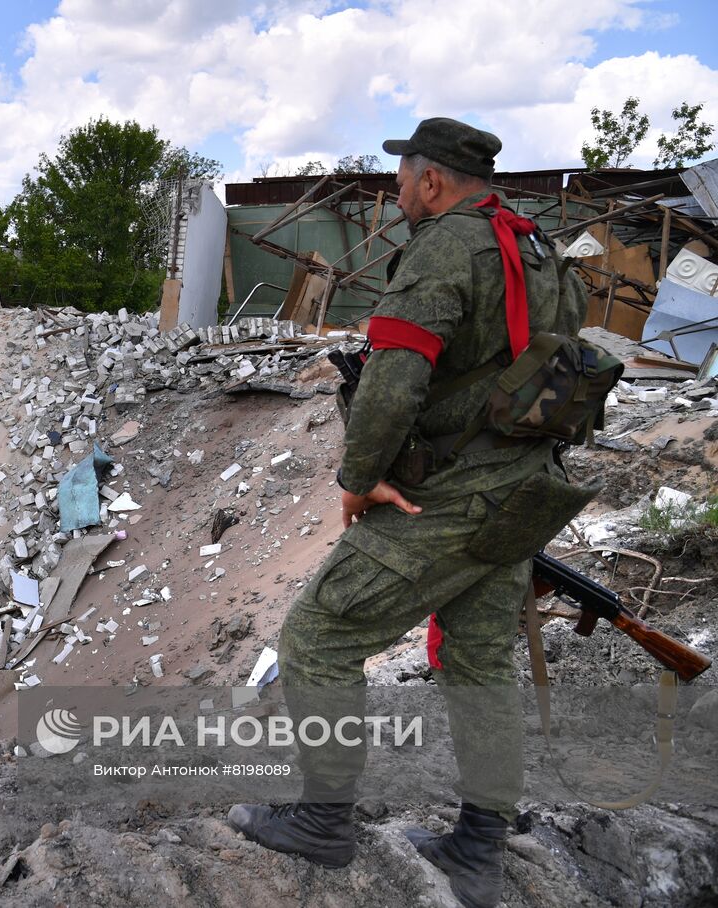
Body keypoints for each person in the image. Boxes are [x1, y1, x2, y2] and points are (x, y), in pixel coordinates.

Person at [226, 118, 586, 908]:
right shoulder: (538, 248)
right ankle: (478, 851)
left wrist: (360, 477)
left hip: (453, 492)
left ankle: (323, 822)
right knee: (484, 663)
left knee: (317, 635)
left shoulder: (447, 245)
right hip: (527, 488)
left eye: (402, 178)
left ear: (431, 180)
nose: (396, 192)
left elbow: (396, 374)